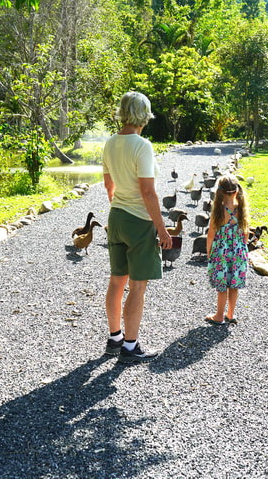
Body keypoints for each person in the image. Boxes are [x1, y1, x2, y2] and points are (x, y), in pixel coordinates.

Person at [102, 91, 172, 362]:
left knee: (117, 280)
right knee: (137, 286)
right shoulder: (142, 145)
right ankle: (130, 347)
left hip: (116, 217)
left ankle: (115, 338)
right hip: (138, 222)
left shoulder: (109, 143)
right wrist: (162, 230)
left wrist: (118, 206)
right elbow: (148, 192)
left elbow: (109, 186)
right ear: (144, 115)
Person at [205, 174, 249, 325]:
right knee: (234, 284)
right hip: (238, 251)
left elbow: (211, 234)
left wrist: (209, 251)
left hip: (221, 252)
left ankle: (219, 315)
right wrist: (242, 248)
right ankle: (230, 314)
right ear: (237, 192)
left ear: (220, 192)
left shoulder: (218, 211)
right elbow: (245, 233)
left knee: (222, 285)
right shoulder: (241, 209)